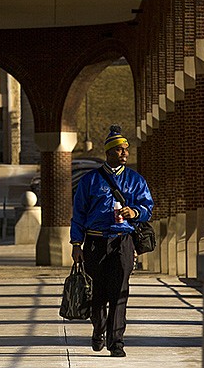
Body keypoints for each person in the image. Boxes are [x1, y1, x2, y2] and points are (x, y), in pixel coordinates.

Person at [70, 124, 154, 357]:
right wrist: (77, 244)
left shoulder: (136, 180)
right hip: (95, 243)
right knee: (96, 293)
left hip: (122, 241)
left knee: (119, 293)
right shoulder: (90, 181)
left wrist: (134, 212)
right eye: (119, 150)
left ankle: (116, 342)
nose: (124, 153)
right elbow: (78, 214)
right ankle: (98, 329)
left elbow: (148, 208)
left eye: (126, 149)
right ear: (108, 152)